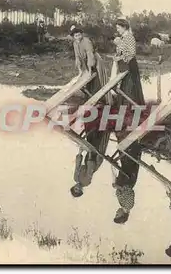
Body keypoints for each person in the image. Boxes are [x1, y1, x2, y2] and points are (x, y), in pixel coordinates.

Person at [69, 25, 112, 199]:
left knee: (96, 83)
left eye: (79, 34)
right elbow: (79, 58)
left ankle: (101, 100)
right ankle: (95, 106)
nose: (77, 37)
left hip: (95, 63)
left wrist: (90, 69)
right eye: (75, 35)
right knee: (96, 137)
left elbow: (89, 56)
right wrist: (81, 70)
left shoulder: (86, 41)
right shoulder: (84, 180)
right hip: (94, 157)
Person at [110, 18, 146, 224]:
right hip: (127, 173)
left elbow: (131, 54)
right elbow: (127, 184)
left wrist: (118, 185)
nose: (117, 29)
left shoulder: (129, 37)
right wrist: (119, 184)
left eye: (118, 27)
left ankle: (130, 105)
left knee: (129, 87)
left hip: (128, 65)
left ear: (123, 27)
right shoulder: (127, 204)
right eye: (117, 215)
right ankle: (128, 105)